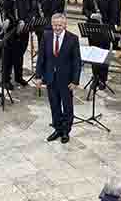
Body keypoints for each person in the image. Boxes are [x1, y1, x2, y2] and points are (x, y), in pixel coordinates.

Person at [35, 14, 82, 144]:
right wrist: (38, 76)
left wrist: (75, 81)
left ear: (65, 25)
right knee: (54, 105)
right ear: (51, 24)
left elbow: (77, 62)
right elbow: (41, 57)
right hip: (50, 78)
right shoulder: (46, 36)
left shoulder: (73, 39)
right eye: (55, 25)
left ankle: (66, 131)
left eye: (60, 25)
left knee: (67, 106)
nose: (57, 28)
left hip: (66, 80)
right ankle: (57, 128)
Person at [82, 0, 121, 89]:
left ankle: (103, 79)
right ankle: (95, 77)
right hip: (92, 29)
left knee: (104, 54)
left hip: (105, 29)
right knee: (94, 54)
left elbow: (114, 15)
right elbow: (84, 9)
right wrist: (91, 15)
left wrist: (106, 23)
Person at [1, 0, 34, 89]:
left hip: (24, 31)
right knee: (9, 57)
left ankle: (18, 77)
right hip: (12, 31)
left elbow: (31, 12)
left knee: (20, 54)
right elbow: (6, 13)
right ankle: (6, 80)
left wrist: (25, 22)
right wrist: (16, 22)